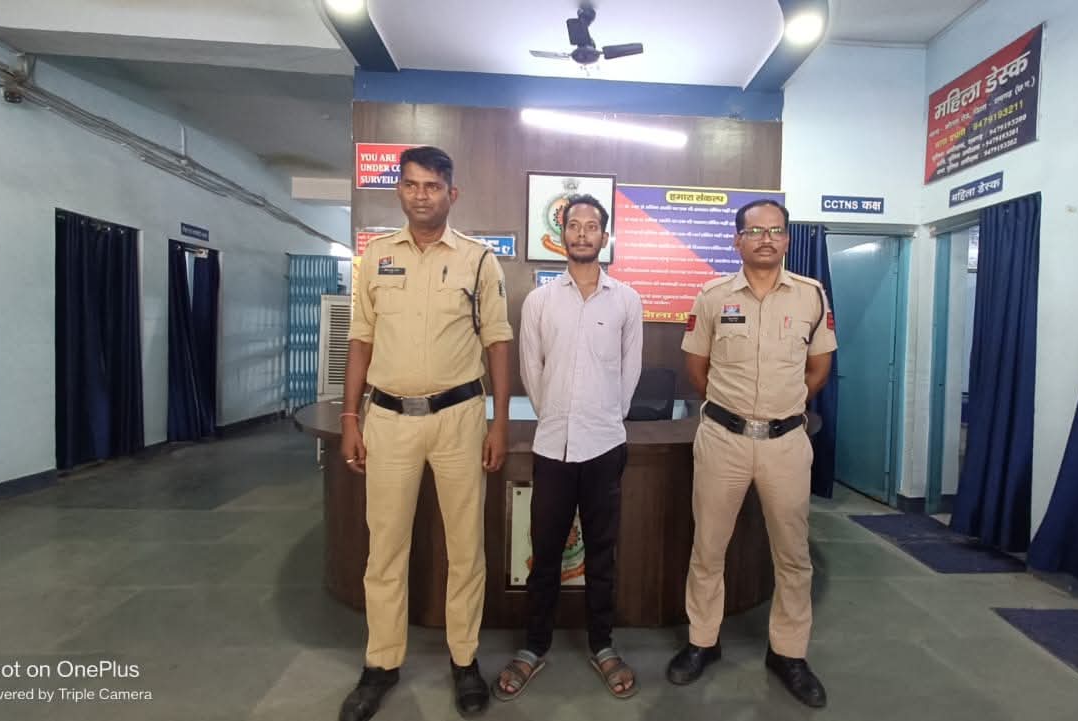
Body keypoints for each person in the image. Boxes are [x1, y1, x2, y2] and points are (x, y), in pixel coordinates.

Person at [337, 146, 513, 720]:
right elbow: (360, 339)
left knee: (466, 546)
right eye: (411, 184)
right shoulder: (376, 257)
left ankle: (465, 660)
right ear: (400, 190)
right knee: (385, 547)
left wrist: (499, 422)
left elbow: (497, 342)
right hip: (388, 420)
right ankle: (381, 663)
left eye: (432, 186)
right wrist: (350, 417)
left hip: (460, 418)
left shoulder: (479, 260)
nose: (421, 195)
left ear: (451, 194)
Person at [666, 199, 836, 709]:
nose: (766, 239)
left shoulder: (811, 294)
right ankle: (703, 642)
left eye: (776, 231)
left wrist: (783, 408)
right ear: (737, 240)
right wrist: (735, 412)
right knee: (708, 548)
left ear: (787, 240)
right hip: (724, 440)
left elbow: (818, 369)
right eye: (755, 231)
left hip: (786, 443)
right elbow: (696, 369)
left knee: (794, 555)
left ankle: (788, 653)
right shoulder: (713, 295)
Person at [494, 194, 644, 701]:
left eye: (591, 226)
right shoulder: (539, 302)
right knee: (545, 554)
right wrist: (557, 414)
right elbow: (531, 371)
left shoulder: (626, 300)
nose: (582, 233)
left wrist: (603, 418)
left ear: (605, 236)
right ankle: (534, 646)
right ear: (562, 235)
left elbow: (630, 372)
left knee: (602, 552)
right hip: (552, 446)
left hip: (605, 445)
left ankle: (603, 644)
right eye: (573, 225)